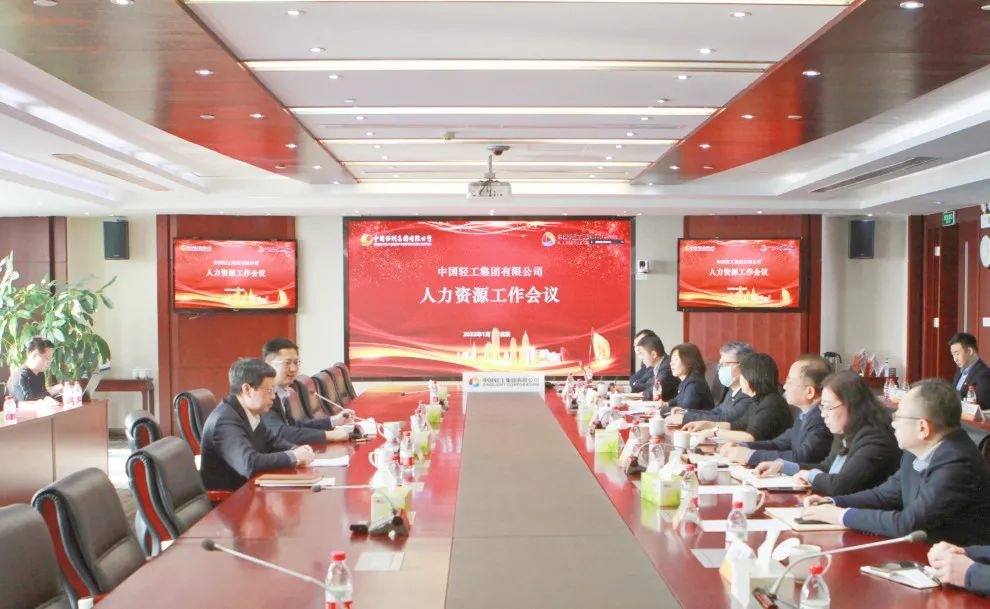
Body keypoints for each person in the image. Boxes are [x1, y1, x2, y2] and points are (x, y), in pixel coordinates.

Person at [802, 378, 990, 546]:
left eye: (898, 417)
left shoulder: (958, 462)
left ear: (923, 428)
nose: (893, 423)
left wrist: (841, 516)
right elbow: (885, 495)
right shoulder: (916, 450)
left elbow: (908, 523)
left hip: (956, 562)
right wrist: (833, 502)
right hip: (923, 551)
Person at [753, 370, 900, 495]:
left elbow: (840, 485)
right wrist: (783, 466)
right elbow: (827, 468)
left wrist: (810, 476)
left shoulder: (875, 439)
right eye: (822, 407)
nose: (823, 414)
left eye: (829, 407)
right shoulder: (846, 432)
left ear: (852, 406)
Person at [200, 358, 315, 491]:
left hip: (250, 488)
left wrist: (296, 449)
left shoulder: (249, 411)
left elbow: (272, 441)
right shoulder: (224, 421)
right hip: (230, 498)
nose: (273, 396)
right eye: (269, 390)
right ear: (247, 389)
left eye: (274, 390)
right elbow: (249, 463)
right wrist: (293, 456)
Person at [719, 355, 833, 467]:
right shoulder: (804, 414)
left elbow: (801, 457)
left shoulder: (823, 419)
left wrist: (750, 456)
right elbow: (779, 443)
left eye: (790, 382)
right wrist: (743, 446)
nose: (785, 387)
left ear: (809, 392)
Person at [683, 353, 792, 442]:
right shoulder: (758, 400)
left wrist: (714, 432)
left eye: (742, 375)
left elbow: (750, 437)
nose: (740, 379)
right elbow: (738, 425)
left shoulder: (771, 403)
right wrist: (707, 425)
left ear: (753, 376)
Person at [261, 337, 352, 444]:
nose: (293, 369)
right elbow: (281, 432)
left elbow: (293, 426)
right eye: (287, 363)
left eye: (296, 362)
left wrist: (333, 421)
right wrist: (329, 435)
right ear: (268, 364)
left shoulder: (281, 392)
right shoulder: (262, 394)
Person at [665, 341, 753, 427]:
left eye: (725, 364)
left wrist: (685, 418)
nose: (720, 369)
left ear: (742, 366)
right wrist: (686, 412)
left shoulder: (747, 394)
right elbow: (716, 412)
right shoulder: (732, 391)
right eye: (720, 365)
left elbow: (725, 419)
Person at [7, 336, 62, 402]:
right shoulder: (20, 376)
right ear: (34, 356)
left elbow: (43, 396)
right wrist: (51, 391)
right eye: (47, 358)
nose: (49, 362)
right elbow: (28, 402)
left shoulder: (40, 373)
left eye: (51, 359)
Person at [662, 343, 714, 411]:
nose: (671, 363)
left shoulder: (694, 384)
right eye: (671, 360)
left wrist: (661, 410)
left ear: (688, 360)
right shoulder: (687, 381)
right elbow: (678, 399)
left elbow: (683, 411)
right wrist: (666, 404)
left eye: (676, 360)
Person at [949, 332, 990, 408]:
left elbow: (981, 404)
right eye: (953, 355)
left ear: (970, 351)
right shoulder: (959, 372)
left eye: (957, 354)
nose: (955, 359)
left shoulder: (984, 373)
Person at [636, 333, 679, 401]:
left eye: (642, 353)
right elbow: (648, 385)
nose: (641, 358)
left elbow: (656, 389)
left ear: (654, 354)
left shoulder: (667, 366)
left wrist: (638, 395)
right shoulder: (655, 366)